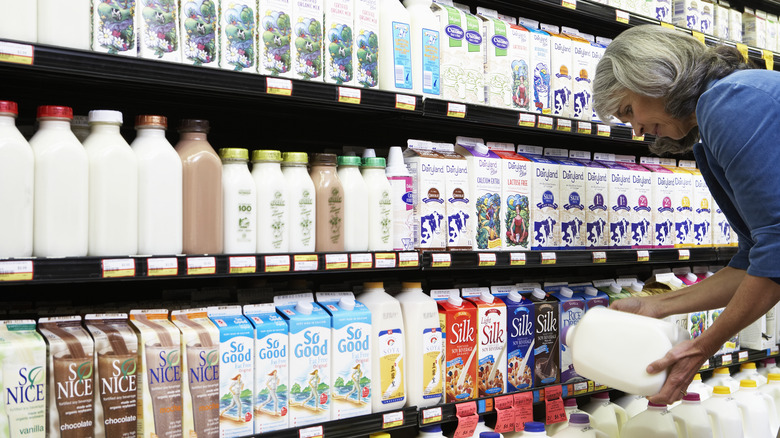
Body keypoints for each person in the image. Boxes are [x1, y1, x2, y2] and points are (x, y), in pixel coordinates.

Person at [592, 24, 780, 406]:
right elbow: (751, 260)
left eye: (629, 110)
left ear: (657, 77)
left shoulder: (730, 102)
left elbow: (777, 250)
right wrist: (657, 305)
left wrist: (700, 348)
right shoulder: (711, 126)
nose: (637, 129)